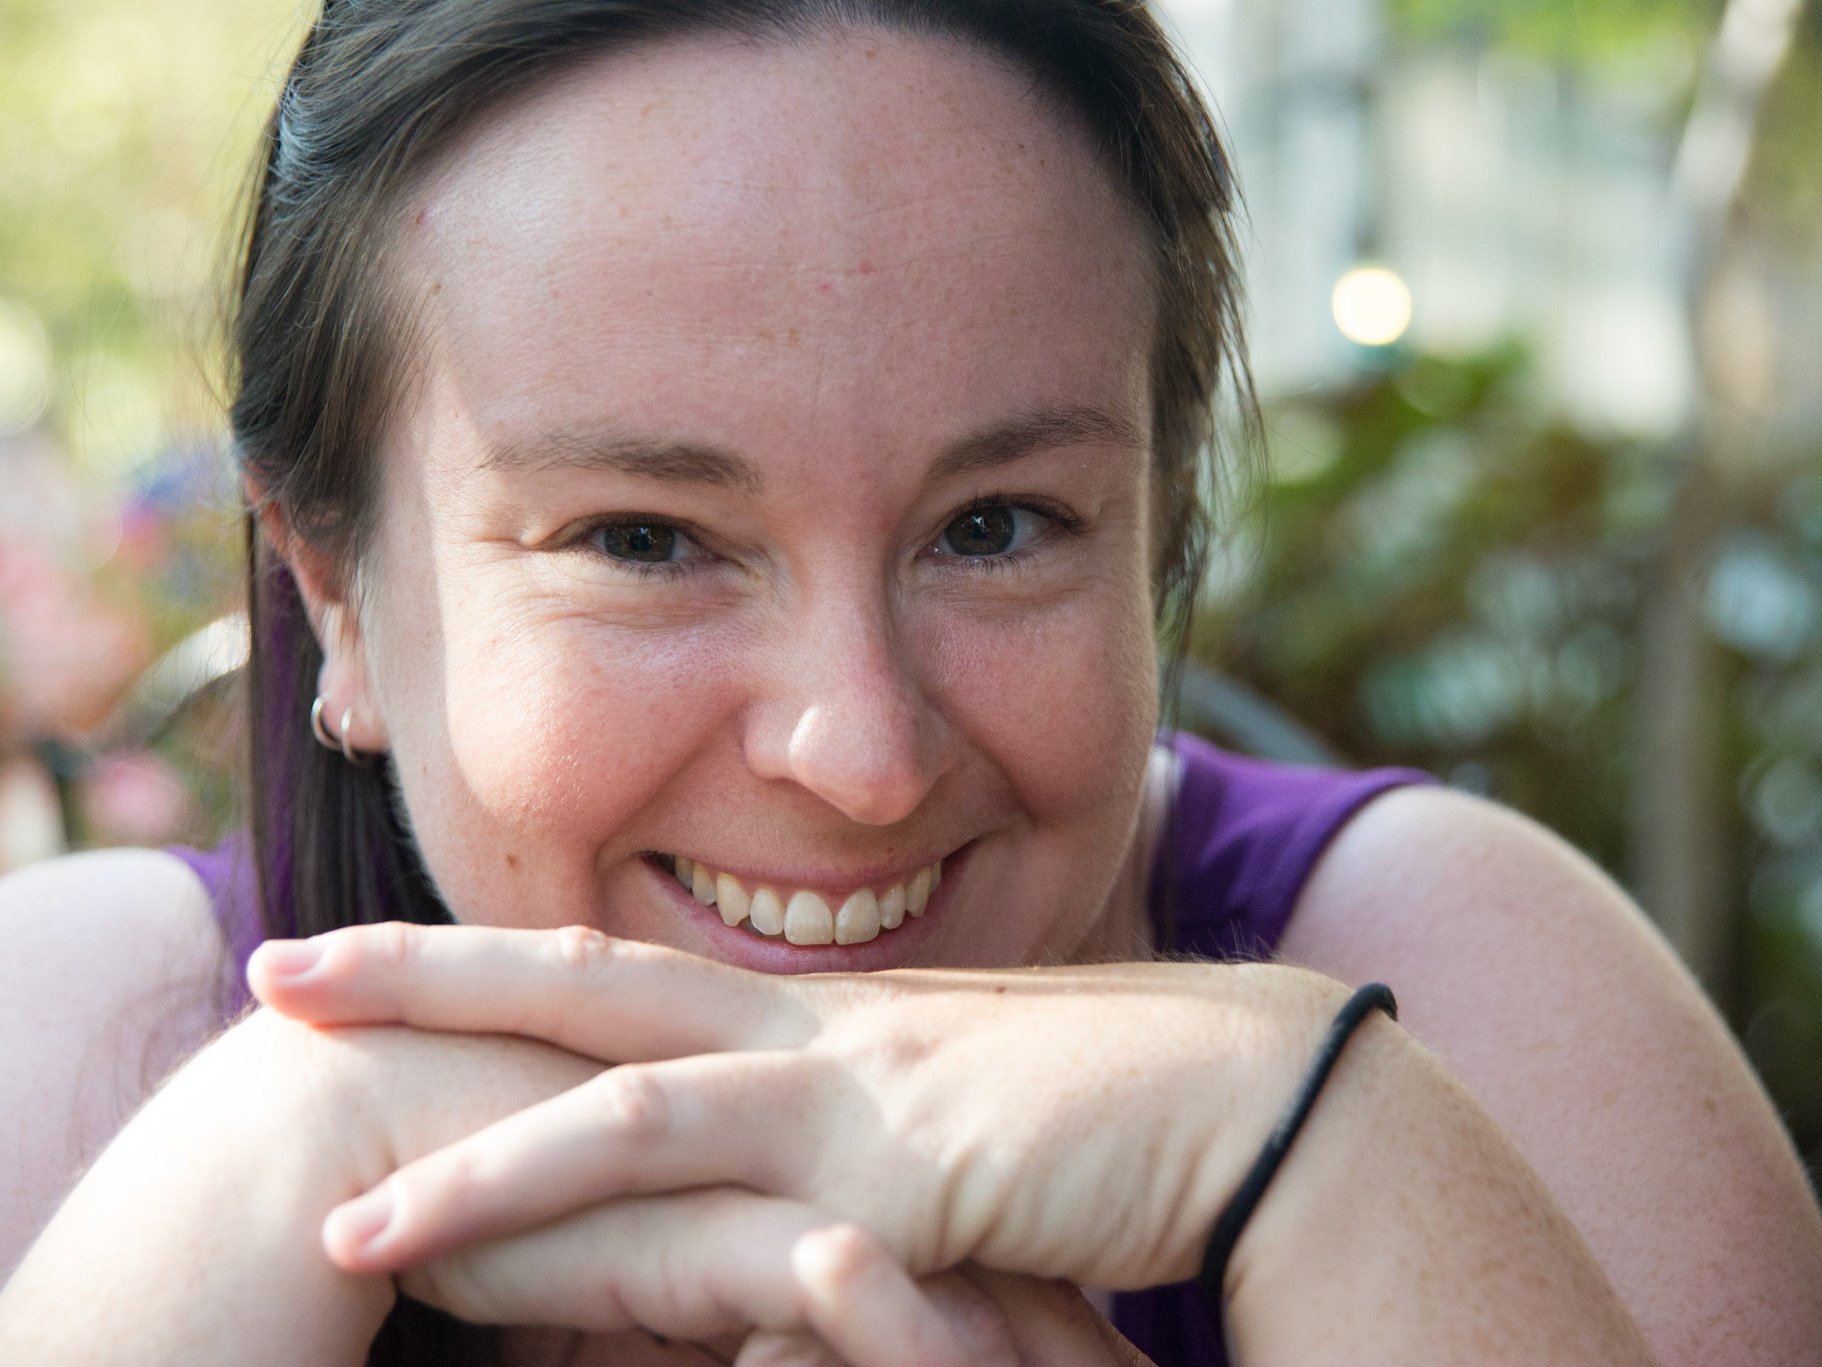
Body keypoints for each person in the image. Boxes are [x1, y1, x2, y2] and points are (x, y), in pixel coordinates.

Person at [2, 1, 1819, 1363]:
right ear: (335, 593)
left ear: (1155, 524)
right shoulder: (80, 1072)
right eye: (642, 539)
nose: (861, 753)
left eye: (996, 527)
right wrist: (260, 1180)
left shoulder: (1479, 1021)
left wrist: (1345, 1160)